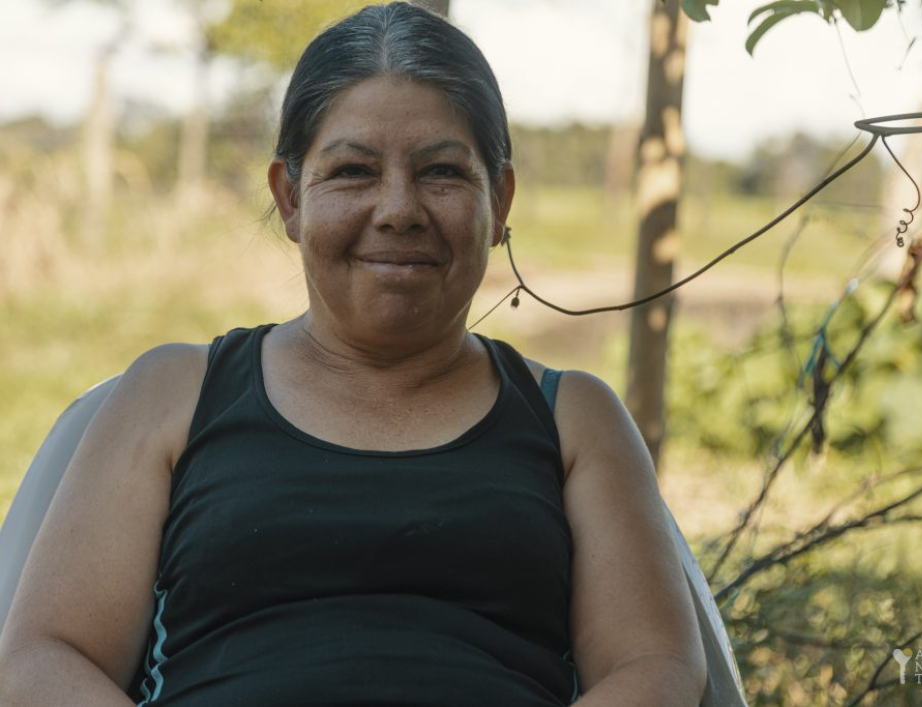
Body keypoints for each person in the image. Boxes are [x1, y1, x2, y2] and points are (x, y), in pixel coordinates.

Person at [0, 3, 706, 705]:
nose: (398, 208)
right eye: (352, 172)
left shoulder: (572, 419)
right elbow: (43, 658)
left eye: (442, 172)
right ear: (290, 198)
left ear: (502, 198)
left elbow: (656, 666)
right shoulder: (173, 393)